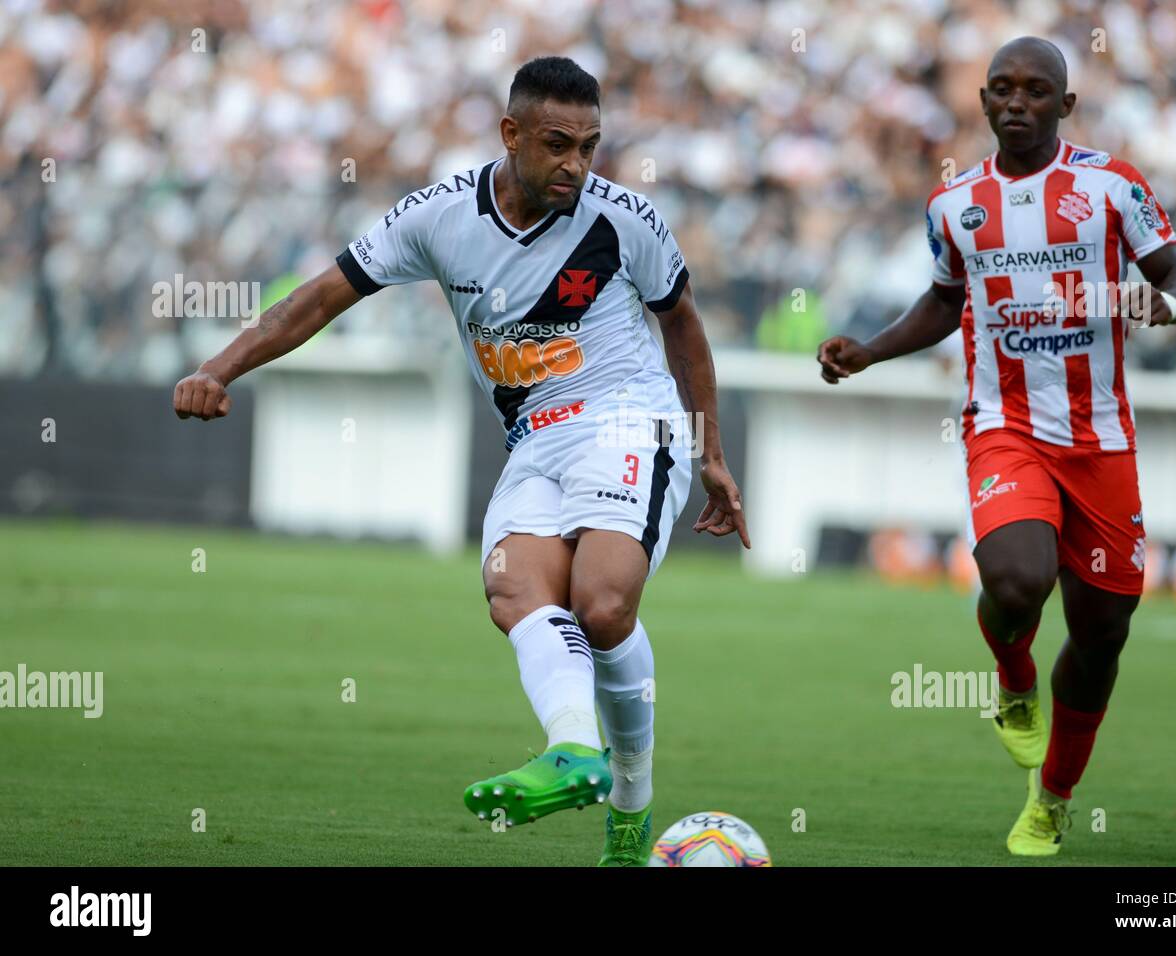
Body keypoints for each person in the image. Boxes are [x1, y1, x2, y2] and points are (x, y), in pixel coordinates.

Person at [173, 56, 749, 866]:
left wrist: (709, 450)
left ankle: (630, 807)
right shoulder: (439, 217)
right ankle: (574, 752)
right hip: (535, 442)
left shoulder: (625, 222)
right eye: (558, 144)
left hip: (630, 422)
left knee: (604, 603)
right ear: (510, 134)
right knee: (513, 588)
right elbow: (318, 298)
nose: (576, 165)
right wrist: (216, 368)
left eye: (589, 146)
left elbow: (682, 323)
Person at [817, 37, 1176, 856]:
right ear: (983, 102)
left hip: (1100, 440)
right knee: (1017, 582)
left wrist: (1157, 305)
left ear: (1066, 106)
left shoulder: (1112, 187)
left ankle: (1053, 798)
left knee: (1101, 636)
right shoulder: (954, 203)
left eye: (1036, 90)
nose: (1016, 102)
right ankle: (1013, 675)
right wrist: (869, 349)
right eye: (1002, 90)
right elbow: (943, 299)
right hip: (1005, 426)